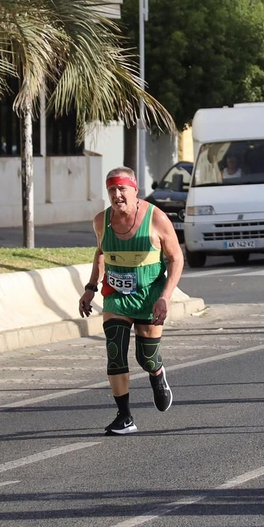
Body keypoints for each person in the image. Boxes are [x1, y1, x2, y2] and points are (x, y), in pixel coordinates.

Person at [79, 167, 185, 435]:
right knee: (115, 352)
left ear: (134, 190)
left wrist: (165, 297)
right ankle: (124, 417)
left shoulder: (157, 219)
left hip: (149, 296)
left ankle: (157, 374)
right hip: (115, 297)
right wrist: (91, 287)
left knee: (146, 358)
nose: (117, 195)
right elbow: (101, 253)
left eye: (122, 189)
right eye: (112, 190)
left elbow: (176, 258)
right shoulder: (101, 221)